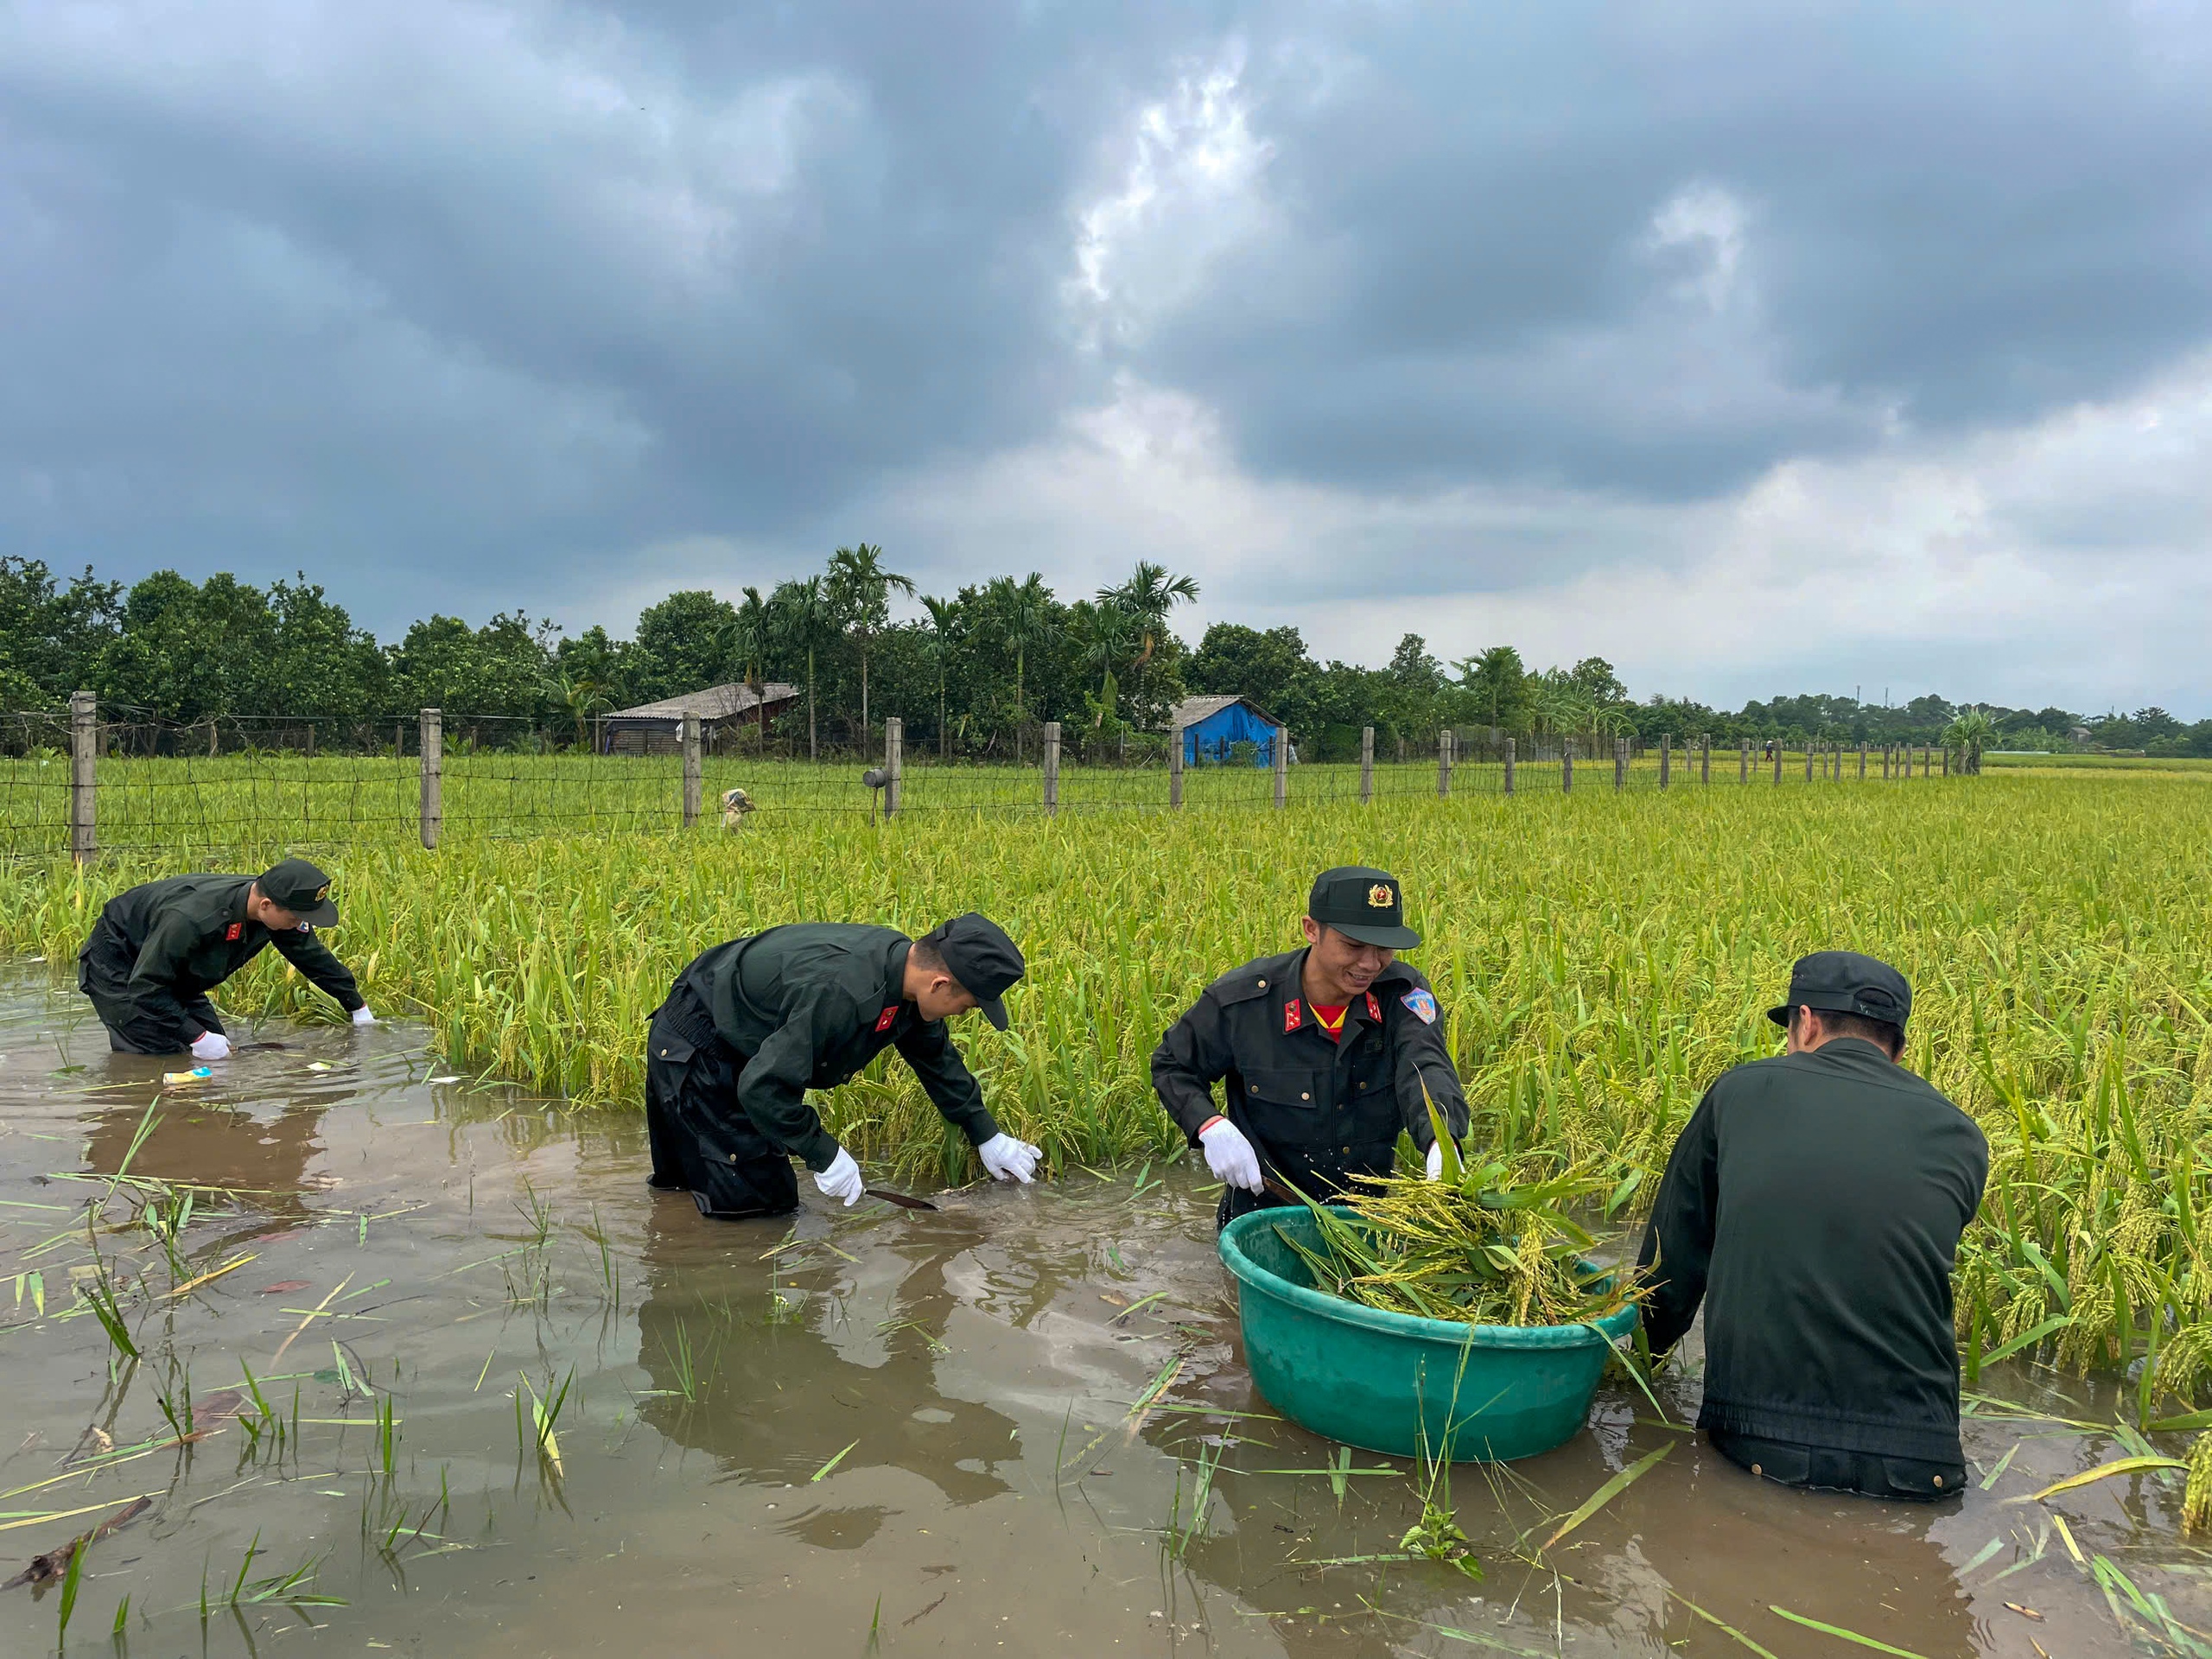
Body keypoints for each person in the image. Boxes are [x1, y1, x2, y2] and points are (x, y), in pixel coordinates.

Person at [1637, 951, 1988, 1499]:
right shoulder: (1962, 1134)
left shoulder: (1740, 1092)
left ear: (1806, 1022)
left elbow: (1672, 1259)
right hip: (1924, 1458)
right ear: (1897, 1046)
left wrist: (1636, 1366)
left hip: (1760, 1440)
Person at [645, 913, 1040, 1219]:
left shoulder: (902, 973)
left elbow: (934, 1058)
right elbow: (762, 1088)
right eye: (967, 1005)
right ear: (939, 984)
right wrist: (824, 1153)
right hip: (696, 1048)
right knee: (757, 1211)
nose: (961, 1015)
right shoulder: (843, 992)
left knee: (710, 1190)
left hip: (743, 1041)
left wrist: (986, 1133)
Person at [1150, 866, 1470, 1230]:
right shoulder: (1244, 1004)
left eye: (1383, 948)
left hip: (1364, 1224)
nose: (1369, 964)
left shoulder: (1401, 993)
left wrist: (1442, 1145)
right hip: (1264, 1222)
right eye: (1353, 945)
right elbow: (1173, 1064)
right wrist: (1209, 1125)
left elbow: (1426, 1067)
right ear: (1311, 929)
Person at [77, 857, 372, 1057]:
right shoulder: (191, 920)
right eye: (297, 918)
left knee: (223, 1054)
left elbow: (309, 954)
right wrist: (196, 1037)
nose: (300, 925)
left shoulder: (277, 912)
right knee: (157, 1053)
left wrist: (356, 1005)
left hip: (170, 964)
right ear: (267, 904)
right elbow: (145, 987)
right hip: (120, 961)